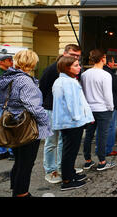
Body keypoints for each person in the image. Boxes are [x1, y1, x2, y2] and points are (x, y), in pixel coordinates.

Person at [0, 49, 52, 197]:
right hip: (25, 124)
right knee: (26, 162)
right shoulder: (25, 80)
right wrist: (45, 122)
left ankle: (16, 188)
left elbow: (2, 100)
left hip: (12, 120)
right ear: (31, 63)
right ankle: (21, 193)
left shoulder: (8, 77)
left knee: (19, 159)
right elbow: (33, 107)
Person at [39, 44, 82, 184]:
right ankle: (50, 170)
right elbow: (42, 88)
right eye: (72, 55)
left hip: (65, 111)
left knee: (64, 141)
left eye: (77, 56)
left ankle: (64, 168)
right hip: (51, 109)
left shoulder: (74, 70)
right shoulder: (52, 69)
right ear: (64, 53)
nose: (75, 58)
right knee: (51, 141)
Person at [52, 56, 94, 191]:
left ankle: (70, 174)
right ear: (67, 67)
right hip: (72, 122)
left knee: (70, 150)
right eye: (76, 65)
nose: (79, 67)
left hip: (67, 122)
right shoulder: (69, 82)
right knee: (70, 151)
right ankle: (67, 180)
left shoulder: (61, 81)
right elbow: (74, 104)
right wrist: (79, 118)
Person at [81, 49, 115, 171]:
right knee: (102, 135)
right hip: (103, 109)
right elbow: (107, 95)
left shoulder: (84, 74)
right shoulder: (106, 75)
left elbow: (83, 93)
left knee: (88, 135)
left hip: (89, 108)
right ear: (102, 59)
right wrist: (111, 107)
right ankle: (102, 161)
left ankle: (87, 160)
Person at [103, 55, 117, 156]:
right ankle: (108, 150)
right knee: (111, 128)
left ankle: (100, 149)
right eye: (113, 61)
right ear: (109, 63)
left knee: (102, 128)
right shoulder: (109, 73)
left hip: (100, 105)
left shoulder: (100, 71)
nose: (114, 63)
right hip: (111, 104)